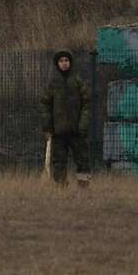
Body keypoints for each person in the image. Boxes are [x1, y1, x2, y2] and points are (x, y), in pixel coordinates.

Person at [39, 48, 91, 187]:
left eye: (66, 60)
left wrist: (83, 125)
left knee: (82, 159)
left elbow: (86, 104)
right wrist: (47, 127)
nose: (64, 63)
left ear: (70, 62)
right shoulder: (52, 84)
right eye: (61, 61)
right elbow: (45, 106)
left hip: (77, 131)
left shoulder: (78, 82)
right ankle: (61, 187)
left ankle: (84, 186)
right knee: (58, 160)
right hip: (58, 131)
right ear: (57, 64)